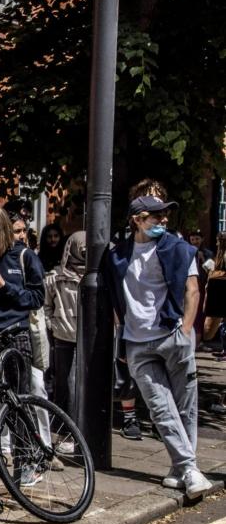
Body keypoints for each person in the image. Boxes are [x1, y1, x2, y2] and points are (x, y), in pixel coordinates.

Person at [103, 181, 213, 499]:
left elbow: (193, 290)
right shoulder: (118, 256)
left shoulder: (179, 248)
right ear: (138, 219)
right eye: (156, 217)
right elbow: (114, 301)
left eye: (165, 216)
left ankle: (182, 469)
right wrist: (120, 336)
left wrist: (185, 331)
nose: (163, 221)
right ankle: (190, 469)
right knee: (161, 409)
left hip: (172, 336)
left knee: (185, 408)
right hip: (137, 344)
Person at [0, 203, 51, 473]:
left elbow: (36, 299)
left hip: (14, 335)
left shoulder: (24, 257)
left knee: (17, 399)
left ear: (2, 230)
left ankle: (25, 461)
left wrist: (5, 286)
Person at [44, 231, 87, 413]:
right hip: (63, 336)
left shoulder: (96, 277)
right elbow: (46, 305)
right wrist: (51, 325)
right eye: (82, 250)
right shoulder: (56, 277)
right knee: (65, 383)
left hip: (87, 338)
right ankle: (65, 428)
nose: (85, 253)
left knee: (85, 384)